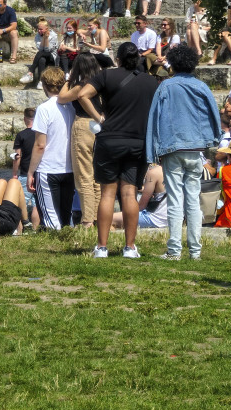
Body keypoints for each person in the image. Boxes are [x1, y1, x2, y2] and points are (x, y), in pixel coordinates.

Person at [58, 42, 160, 257]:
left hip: (110, 139)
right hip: (137, 141)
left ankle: (102, 247)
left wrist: (99, 118)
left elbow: (83, 95)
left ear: (118, 59)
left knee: (107, 193)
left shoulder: (107, 75)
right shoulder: (150, 81)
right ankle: (130, 247)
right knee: (129, 193)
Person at [146, 44, 223, 260]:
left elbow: (154, 117)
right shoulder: (201, 86)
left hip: (172, 147)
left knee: (175, 199)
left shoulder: (165, 86)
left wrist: (152, 150)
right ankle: (195, 251)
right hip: (195, 148)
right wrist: (213, 138)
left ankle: (174, 250)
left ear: (173, 63)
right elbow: (214, 113)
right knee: (193, 199)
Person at [28, 67, 76, 230]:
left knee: (51, 218)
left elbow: (40, 145)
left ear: (44, 85)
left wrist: (30, 172)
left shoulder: (44, 108)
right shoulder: (72, 106)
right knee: (66, 216)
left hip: (48, 168)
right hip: (69, 168)